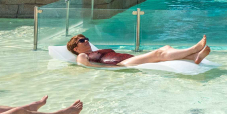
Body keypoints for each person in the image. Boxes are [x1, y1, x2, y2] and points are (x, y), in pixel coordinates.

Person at [66, 33, 211, 67]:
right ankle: (194, 48)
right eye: (82, 40)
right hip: (122, 65)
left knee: (166, 48)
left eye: (86, 38)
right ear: (76, 48)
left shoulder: (92, 51)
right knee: (158, 53)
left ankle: (194, 57)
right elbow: (90, 67)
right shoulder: (82, 56)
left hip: (126, 58)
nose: (87, 41)